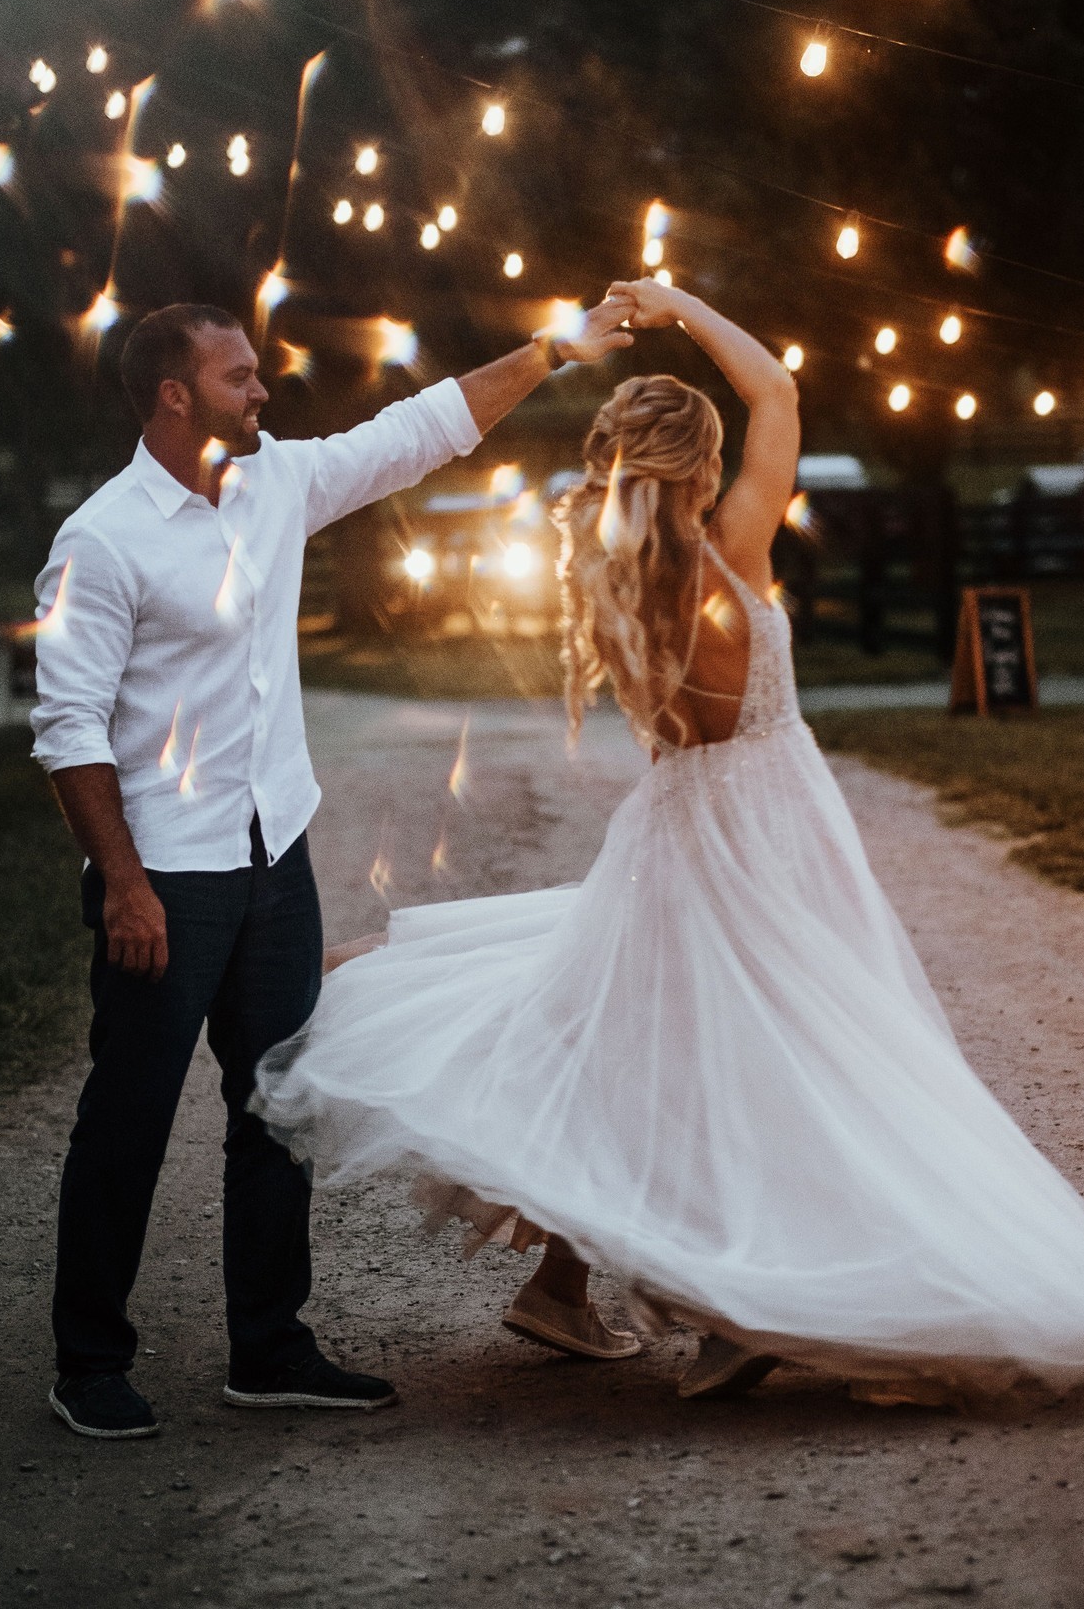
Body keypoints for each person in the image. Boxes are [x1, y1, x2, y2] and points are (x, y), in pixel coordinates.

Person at [254, 280, 1084, 1405]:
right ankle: (751, 1307)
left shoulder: (615, 579)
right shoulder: (730, 556)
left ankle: (562, 1290)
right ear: (701, 469)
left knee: (627, 1036)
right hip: (769, 823)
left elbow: (666, 744)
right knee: (785, 1058)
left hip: (680, 830)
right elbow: (779, 387)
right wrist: (682, 303)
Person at [31, 297, 634, 1439]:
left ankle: (268, 1346)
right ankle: (89, 1361)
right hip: (167, 873)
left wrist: (557, 347)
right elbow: (70, 732)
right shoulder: (101, 539)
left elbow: (426, 427)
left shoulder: (277, 486)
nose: (263, 393)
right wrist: (123, 885)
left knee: (280, 1107)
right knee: (129, 1118)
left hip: (275, 859)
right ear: (175, 395)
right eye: (238, 376)